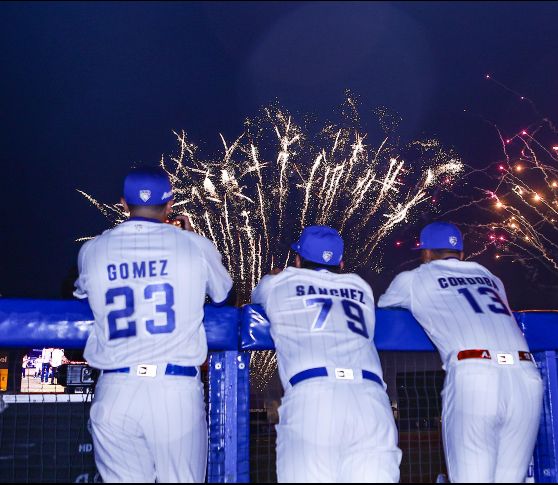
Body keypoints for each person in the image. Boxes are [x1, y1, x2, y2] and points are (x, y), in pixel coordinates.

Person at [74, 167, 232, 482]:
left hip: (116, 388)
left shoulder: (92, 249)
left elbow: (80, 294)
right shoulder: (194, 246)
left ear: (123, 204)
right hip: (174, 389)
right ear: (170, 204)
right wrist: (189, 237)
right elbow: (224, 297)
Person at [379, 222, 543, 483]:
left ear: (426, 254)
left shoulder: (413, 279)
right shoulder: (490, 277)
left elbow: (383, 313)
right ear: (462, 254)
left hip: (476, 374)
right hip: (527, 376)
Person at [251, 225, 401, 483]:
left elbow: (257, 295)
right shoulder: (360, 286)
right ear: (341, 263)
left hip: (314, 397)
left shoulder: (280, 283)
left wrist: (275, 275)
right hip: (371, 400)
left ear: (298, 260)